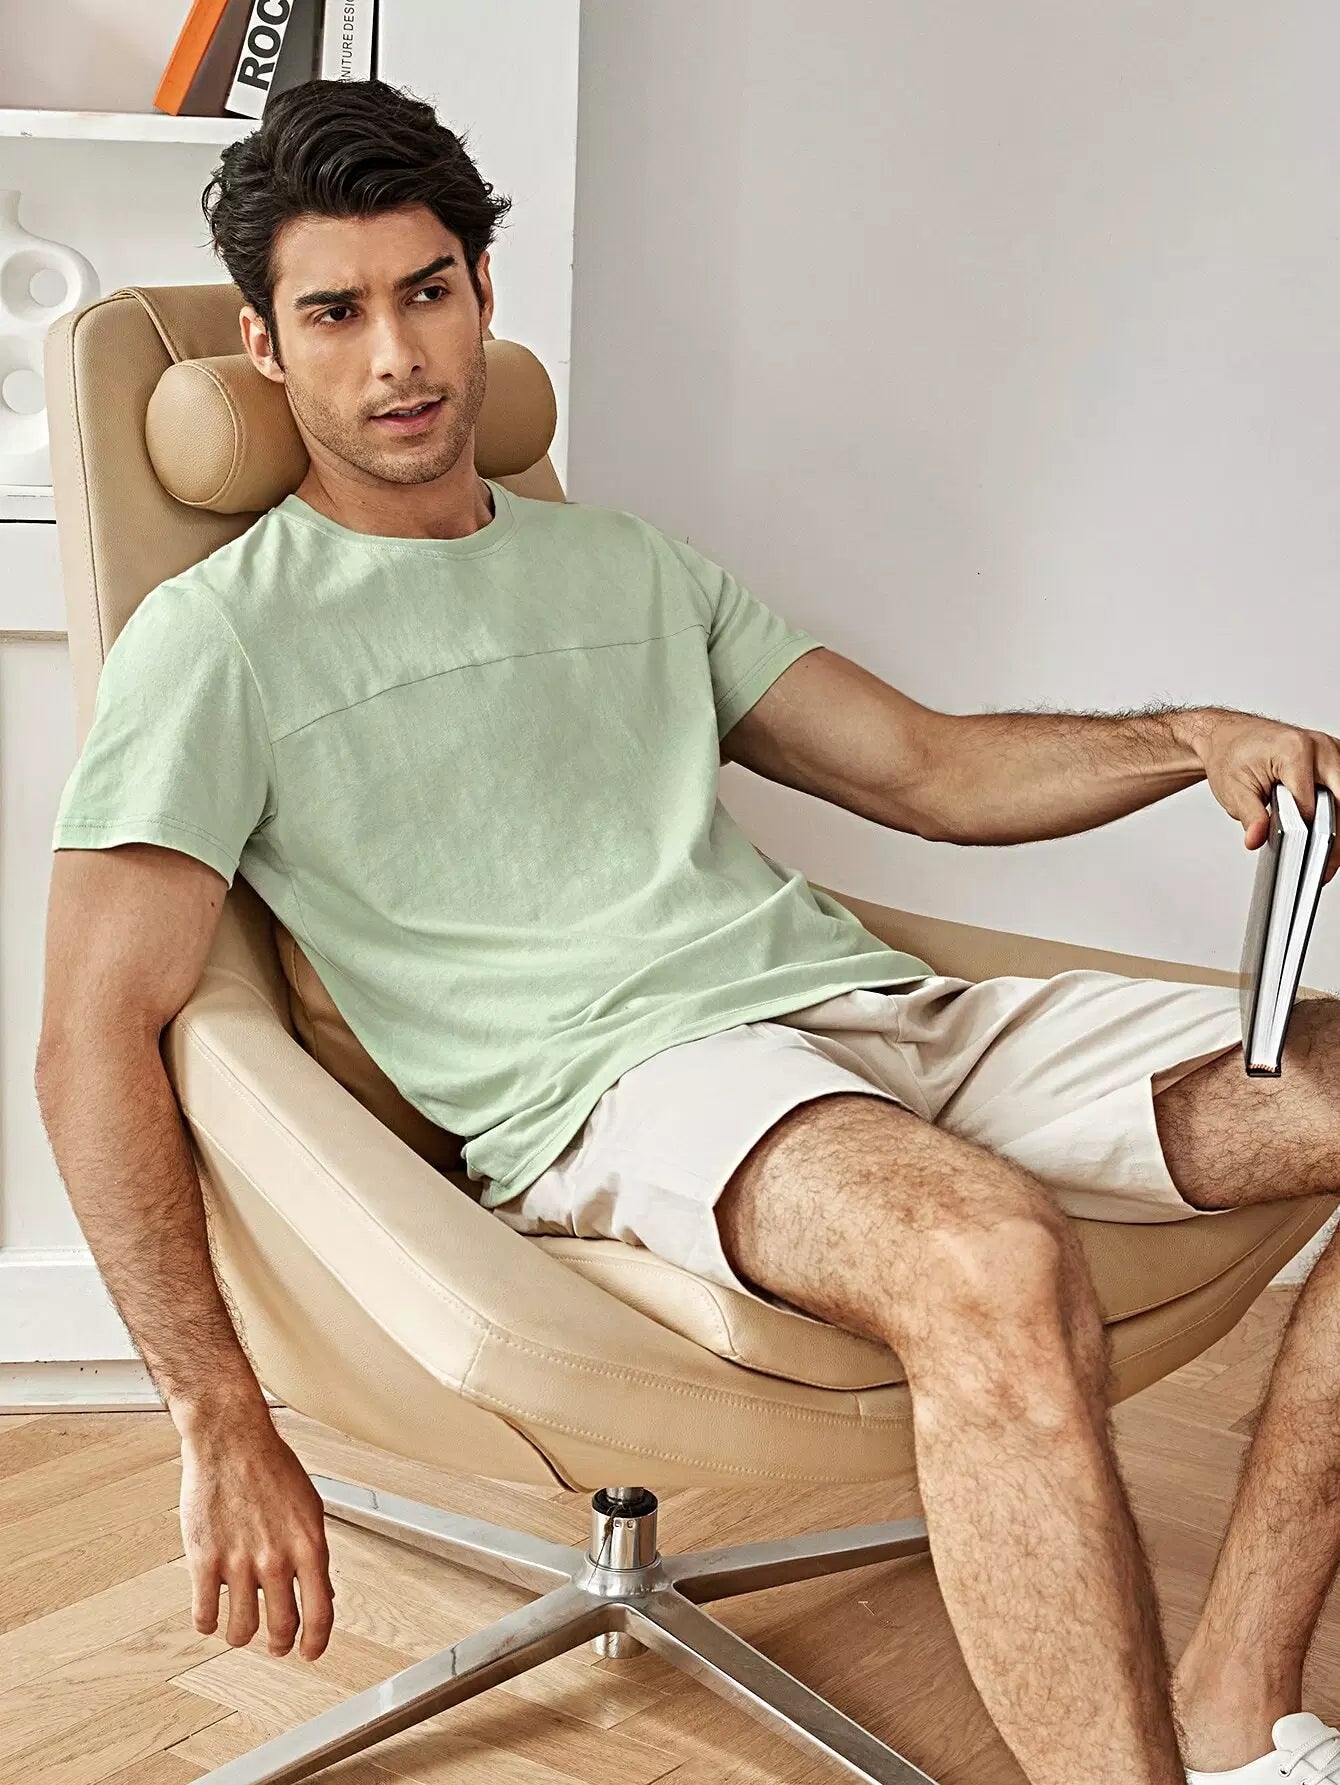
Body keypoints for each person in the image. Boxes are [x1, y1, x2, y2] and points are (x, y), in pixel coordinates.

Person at [32, 75, 1340, 1785]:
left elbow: (930, 769)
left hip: (866, 1011)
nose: (398, 358)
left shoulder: (632, 566)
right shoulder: (216, 639)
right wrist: (218, 1413)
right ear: (266, 353)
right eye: (335, 315)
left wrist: (1194, 737)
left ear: (484, 293)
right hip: (626, 1089)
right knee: (987, 1253)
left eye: (428, 292)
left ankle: (1240, 1695)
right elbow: (89, 1040)